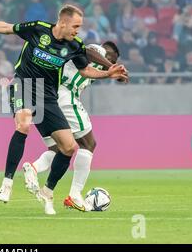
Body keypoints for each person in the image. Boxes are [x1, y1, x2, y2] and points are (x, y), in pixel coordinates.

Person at [0, 4, 127, 214]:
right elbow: (6, 27)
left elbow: (85, 70)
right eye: (75, 26)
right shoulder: (38, 28)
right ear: (62, 22)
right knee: (24, 122)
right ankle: (7, 183)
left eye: (79, 27)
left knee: (68, 147)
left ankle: (47, 192)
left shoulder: (74, 45)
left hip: (48, 94)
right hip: (25, 84)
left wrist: (108, 74)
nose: (77, 30)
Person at [23, 41, 121, 213]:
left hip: (48, 96)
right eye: (113, 57)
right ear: (109, 53)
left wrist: (114, 73)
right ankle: (75, 195)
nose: (113, 60)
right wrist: (111, 64)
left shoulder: (97, 65)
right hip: (65, 95)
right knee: (89, 144)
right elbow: (89, 51)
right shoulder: (99, 51)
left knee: (58, 149)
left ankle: (34, 168)